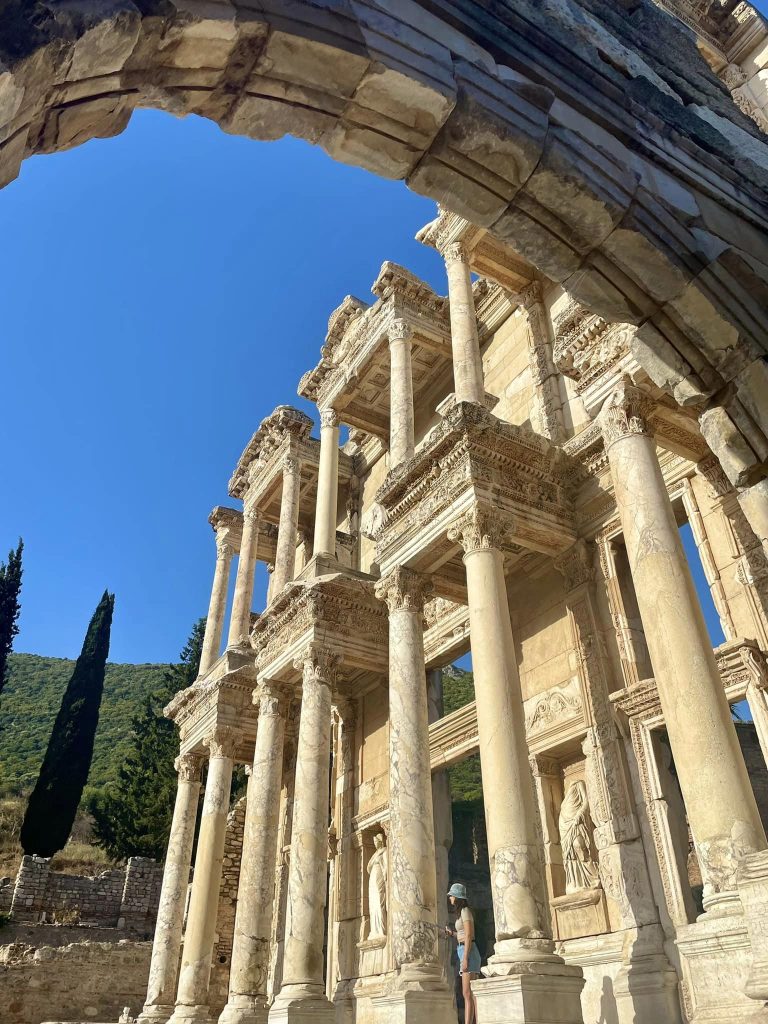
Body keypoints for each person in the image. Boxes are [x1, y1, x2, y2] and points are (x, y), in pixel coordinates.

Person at [444, 882, 481, 1024]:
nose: (450, 898)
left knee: (468, 992)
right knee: (469, 992)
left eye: (452, 895)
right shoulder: (461, 913)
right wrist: (452, 933)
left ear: (457, 897)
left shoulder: (465, 911)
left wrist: (465, 958)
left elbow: (469, 934)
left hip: (468, 951)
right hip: (463, 950)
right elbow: (462, 934)